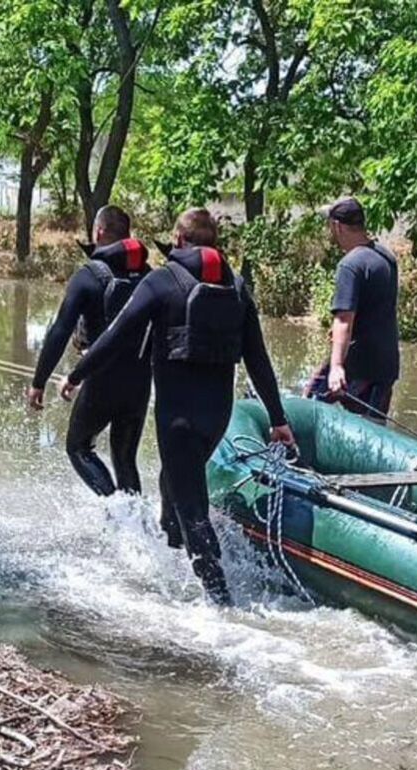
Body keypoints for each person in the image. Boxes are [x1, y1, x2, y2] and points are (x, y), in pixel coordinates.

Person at [64, 208, 295, 605]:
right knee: (172, 486)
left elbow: (117, 335)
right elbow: (258, 360)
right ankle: (169, 563)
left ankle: (221, 607)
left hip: (178, 420)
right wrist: (278, 419)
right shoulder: (238, 288)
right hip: (216, 418)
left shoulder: (161, 281)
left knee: (193, 511)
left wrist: (77, 373)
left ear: (179, 240)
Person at [26, 205, 151, 495]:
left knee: (78, 448)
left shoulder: (88, 275)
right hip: (141, 380)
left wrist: (38, 381)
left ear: (99, 232)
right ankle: (139, 525)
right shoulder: (149, 275)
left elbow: (60, 331)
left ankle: (118, 514)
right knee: (125, 458)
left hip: (101, 377)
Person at [304, 196, 399, 420]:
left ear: (336, 226)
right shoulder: (386, 257)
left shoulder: (350, 265)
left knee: (308, 407)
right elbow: (377, 308)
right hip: (386, 364)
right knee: (373, 430)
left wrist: (336, 366)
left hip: (357, 366)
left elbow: (344, 319)